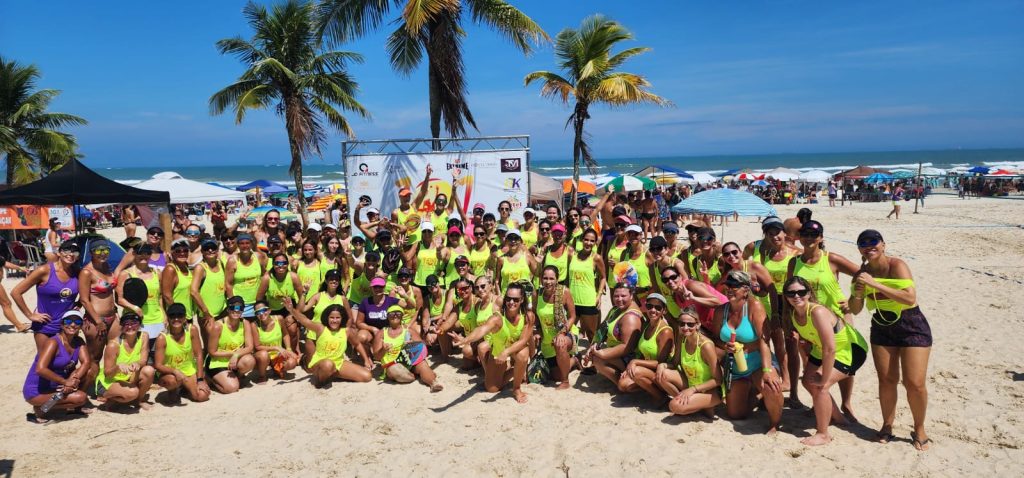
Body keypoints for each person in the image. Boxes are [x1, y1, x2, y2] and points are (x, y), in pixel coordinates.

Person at [848, 229, 932, 451]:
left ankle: (920, 427)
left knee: (914, 383)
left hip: (911, 323)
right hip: (882, 325)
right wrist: (858, 293)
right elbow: (855, 309)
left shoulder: (897, 266)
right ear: (859, 250)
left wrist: (874, 284)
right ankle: (887, 425)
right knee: (886, 380)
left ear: (883, 245)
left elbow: (909, 296)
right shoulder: (861, 275)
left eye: (873, 241)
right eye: (863, 243)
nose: (869, 246)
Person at [783, 276, 868, 446]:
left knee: (820, 385)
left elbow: (831, 348)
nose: (796, 296)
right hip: (820, 349)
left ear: (809, 293)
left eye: (801, 292)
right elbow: (814, 340)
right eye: (791, 293)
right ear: (785, 295)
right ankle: (839, 418)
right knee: (808, 382)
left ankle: (823, 434)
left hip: (848, 350)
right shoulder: (793, 313)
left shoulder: (817, 312)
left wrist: (824, 377)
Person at [712, 270, 783, 434]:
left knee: (772, 386)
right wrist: (725, 346)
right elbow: (716, 339)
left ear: (745, 289)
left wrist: (767, 370)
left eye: (734, 286)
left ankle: (775, 423)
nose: (729, 289)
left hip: (758, 362)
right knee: (735, 415)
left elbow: (765, 340)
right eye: (727, 286)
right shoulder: (720, 311)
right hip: (735, 366)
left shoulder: (754, 306)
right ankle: (756, 394)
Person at [744, 216, 800, 399]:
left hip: (789, 301)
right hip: (766, 300)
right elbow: (743, 263)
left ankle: (793, 387)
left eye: (778, 232)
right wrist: (750, 278)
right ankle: (783, 378)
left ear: (785, 233)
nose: (774, 236)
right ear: (765, 234)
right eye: (770, 233)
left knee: (793, 344)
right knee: (775, 341)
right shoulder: (758, 248)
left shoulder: (794, 253)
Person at [453, 282, 534, 403]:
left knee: (522, 355)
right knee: (492, 388)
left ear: (522, 299)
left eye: (515, 299)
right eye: (508, 298)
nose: (511, 302)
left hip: (515, 349)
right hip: (499, 349)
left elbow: (523, 341)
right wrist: (465, 339)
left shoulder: (528, 316)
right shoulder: (498, 318)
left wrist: (506, 352)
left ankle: (516, 389)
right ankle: (517, 370)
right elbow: (482, 329)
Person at [283, 298, 372, 386]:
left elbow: (357, 344)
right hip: (320, 363)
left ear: (342, 318)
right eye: (332, 317)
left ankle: (332, 373)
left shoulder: (346, 331)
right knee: (328, 364)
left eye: (338, 318)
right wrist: (291, 310)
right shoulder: (320, 328)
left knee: (367, 376)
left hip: (338, 362)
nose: (334, 320)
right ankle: (319, 381)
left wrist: (366, 360)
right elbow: (305, 320)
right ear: (327, 317)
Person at [23, 310, 92, 423]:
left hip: (59, 386)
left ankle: (51, 404)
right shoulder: (53, 342)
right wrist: (65, 382)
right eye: (68, 321)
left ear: (81, 326)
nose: (73, 324)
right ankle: (41, 409)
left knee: (89, 372)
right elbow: (40, 369)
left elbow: (86, 362)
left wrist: (73, 379)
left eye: (77, 321)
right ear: (61, 324)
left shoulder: (78, 341)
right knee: (80, 398)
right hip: (38, 390)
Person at [12, 240, 80, 352]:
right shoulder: (44, 270)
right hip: (45, 326)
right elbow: (16, 292)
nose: (71, 254)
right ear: (59, 252)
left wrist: (79, 305)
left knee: (66, 361)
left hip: (69, 325)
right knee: (45, 362)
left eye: (75, 252)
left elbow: (87, 293)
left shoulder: (78, 273)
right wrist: (30, 315)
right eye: (67, 250)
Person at [655, 306, 722, 417]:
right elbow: (676, 364)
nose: (685, 327)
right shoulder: (682, 339)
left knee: (674, 406)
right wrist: (663, 365)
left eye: (690, 324)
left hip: (710, 390)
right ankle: (693, 403)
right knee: (662, 375)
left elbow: (718, 380)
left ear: (698, 325)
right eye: (682, 324)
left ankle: (699, 404)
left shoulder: (706, 346)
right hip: (691, 383)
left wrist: (693, 389)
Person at [584, 284, 643, 388]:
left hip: (631, 357)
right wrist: (593, 346)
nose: (619, 299)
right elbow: (602, 328)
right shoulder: (615, 309)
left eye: (623, 296)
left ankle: (622, 382)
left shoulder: (630, 318)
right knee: (594, 355)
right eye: (616, 296)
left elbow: (627, 347)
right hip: (620, 354)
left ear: (631, 296)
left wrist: (602, 353)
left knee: (597, 358)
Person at [95, 312, 155, 410]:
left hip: (128, 377)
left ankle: (138, 401)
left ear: (140, 325)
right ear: (122, 327)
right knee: (133, 392)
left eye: (134, 323)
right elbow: (107, 373)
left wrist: (137, 363)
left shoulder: (144, 336)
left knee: (149, 370)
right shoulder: (114, 345)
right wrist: (118, 367)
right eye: (126, 323)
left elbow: (143, 360)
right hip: (109, 381)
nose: (130, 326)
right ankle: (110, 397)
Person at [374, 305, 442, 391]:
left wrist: (412, 344)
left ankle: (433, 383)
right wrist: (383, 350)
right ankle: (415, 376)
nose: (395, 315)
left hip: (410, 361)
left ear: (402, 316)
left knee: (423, 365)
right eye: (392, 313)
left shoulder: (409, 331)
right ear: (387, 316)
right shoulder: (381, 333)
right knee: (394, 370)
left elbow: (422, 347)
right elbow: (376, 357)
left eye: (398, 313)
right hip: (392, 364)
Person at [619, 293, 674, 400]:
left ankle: (660, 397)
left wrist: (634, 362)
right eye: (649, 306)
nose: (653, 310)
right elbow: (642, 352)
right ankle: (650, 388)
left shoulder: (665, 331)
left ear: (664, 311)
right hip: (648, 367)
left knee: (636, 372)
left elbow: (660, 362)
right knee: (623, 385)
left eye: (658, 307)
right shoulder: (647, 325)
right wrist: (630, 366)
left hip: (662, 372)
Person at [153, 303, 210, 404]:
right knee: (172, 381)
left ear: (185, 318)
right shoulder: (162, 337)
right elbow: (158, 365)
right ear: (168, 318)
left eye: (180, 315)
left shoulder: (192, 330)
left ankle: (185, 389)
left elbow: (199, 354)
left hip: (189, 370)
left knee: (202, 396)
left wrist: (200, 379)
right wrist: (175, 371)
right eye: (172, 316)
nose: (176, 319)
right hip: (170, 373)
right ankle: (173, 390)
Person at [534, 266, 577, 389]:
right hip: (547, 340)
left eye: (551, 278)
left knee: (560, 344)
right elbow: (534, 314)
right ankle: (573, 361)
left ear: (557, 279)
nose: (548, 282)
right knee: (554, 375)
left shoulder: (564, 292)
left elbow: (572, 317)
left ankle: (565, 382)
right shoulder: (537, 294)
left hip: (566, 335)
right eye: (545, 278)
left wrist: (562, 333)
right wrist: (537, 330)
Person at [205, 296, 256, 394]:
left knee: (250, 360)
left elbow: (250, 347)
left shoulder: (245, 323)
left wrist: (236, 355)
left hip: (234, 359)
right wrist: (232, 354)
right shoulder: (218, 326)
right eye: (233, 308)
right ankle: (210, 378)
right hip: (217, 361)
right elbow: (212, 352)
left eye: (240, 308)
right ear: (228, 309)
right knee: (232, 388)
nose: (236, 311)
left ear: (243, 310)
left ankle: (237, 376)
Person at [78, 239, 119, 359]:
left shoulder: (106, 266)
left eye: (106, 250)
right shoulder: (86, 272)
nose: (103, 253)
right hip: (96, 320)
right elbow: (84, 300)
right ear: (91, 253)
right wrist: (98, 321)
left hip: (113, 317)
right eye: (98, 250)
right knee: (94, 357)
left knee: (115, 354)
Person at [257, 252, 304, 351]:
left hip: (288, 308)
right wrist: (263, 314)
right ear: (273, 265)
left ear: (288, 264)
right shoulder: (267, 278)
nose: (281, 265)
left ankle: (293, 350)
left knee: (292, 328)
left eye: (284, 263)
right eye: (277, 263)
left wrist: (296, 315)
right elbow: (259, 299)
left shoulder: (293, 277)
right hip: (272, 309)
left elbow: (302, 297)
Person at [117, 244, 165, 340]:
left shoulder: (157, 273)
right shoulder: (126, 274)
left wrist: (164, 314)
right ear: (134, 254)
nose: (144, 256)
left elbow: (159, 296)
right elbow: (120, 299)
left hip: (157, 318)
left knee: (156, 351)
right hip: (134, 320)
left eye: (147, 253)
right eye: (140, 253)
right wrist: (134, 308)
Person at [303, 269, 348, 367]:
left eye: (337, 279)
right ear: (326, 281)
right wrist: (304, 293)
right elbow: (302, 309)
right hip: (314, 334)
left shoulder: (342, 299)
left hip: (332, 335)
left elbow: (349, 318)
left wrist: (344, 333)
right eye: (331, 279)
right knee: (312, 367)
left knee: (328, 365)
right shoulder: (318, 296)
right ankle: (303, 359)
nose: (334, 281)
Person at [568, 229, 606, 341]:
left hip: (588, 301)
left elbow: (603, 277)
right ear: (581, 240)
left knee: (591, 334)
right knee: (567, 330)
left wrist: (598, 296)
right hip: (572, 301)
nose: (588, 243)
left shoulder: (596, 258)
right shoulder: (572, 255)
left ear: (595, 243)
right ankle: (574, 356)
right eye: (586, 239)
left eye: (592, 241)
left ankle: (593, 358)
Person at [250, 299, 299, 382]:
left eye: (263, 310)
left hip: (277, 355)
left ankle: (276, 369)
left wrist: (288, 349)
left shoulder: (279, 319)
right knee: (264, 355)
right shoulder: (254, 325)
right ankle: (262, 375)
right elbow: (257, 347)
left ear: (269, 310)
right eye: (258, 312)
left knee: (293, 362)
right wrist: (276, 347)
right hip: (262, 356)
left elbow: (285, 334)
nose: (261, 314)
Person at [353, 277, 401, 360]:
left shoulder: (391, 300)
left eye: (380, 287)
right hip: (371, 332)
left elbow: (410, 306)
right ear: (371, 288)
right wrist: (373, 329)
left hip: (387, 332)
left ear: (384, 287)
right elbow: (359, 323)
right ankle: (368, 355)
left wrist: (404, 295)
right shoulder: (365, 302)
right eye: (375, 287)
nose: (378, 289)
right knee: (361, 336)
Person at [190, 238, 227, 340]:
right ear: (202, 251)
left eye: (213, 248)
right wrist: (206, 312)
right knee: (210, 346)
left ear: (217, 250)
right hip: (207, 315)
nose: (210, 250)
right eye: (206, 248)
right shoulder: (200, 268)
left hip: (222, 312)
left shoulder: (221, 264)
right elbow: (193, 291)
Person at [225, 233, 266, 320]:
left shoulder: (259, 257)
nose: (245, 246)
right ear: (238, 245)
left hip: (257, 302)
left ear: (251, 244)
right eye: (242, 243)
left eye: (247, 243)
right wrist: (233, 304)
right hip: (240, 304)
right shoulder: (232, 260)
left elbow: (263, 276)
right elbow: (228, 284)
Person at [161, 238, 194, 326]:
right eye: (178, 251)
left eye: (185, 250)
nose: (182, 253)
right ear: (172, 252)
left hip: (187, 315)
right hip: (176, 317)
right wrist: (179, 315)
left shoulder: (186, 267)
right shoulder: (170, 269)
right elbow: (167, 296)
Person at [495, 229, 536, 294]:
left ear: (521, 241)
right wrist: (499, 296)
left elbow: (537, 274)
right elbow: (497, 281)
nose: (513, 241)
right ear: (506, 241)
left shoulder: (527, 257)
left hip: (525, 298)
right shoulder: (501, 259)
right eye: (510, 238)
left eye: (516, 238)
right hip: (507, 299)